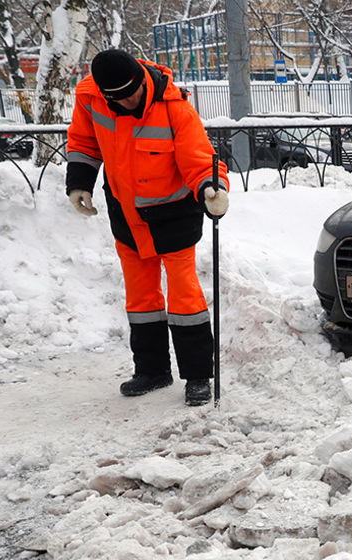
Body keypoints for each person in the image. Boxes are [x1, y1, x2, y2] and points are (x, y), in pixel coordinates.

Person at [65, 48, 228, 406]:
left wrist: (211, 187)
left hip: (173, 214)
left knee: (185, 296)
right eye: (118, 99)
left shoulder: (174, 108)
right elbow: (84, 141)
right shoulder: (92, 97)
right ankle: (152, 370)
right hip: (126, 213)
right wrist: (80, 182)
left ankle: (198, 375)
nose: (127, 102)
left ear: (141, 80)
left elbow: (199, 160)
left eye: (132, 94)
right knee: (141, 297)